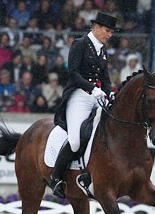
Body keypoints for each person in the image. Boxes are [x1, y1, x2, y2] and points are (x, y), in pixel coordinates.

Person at [50, 11, 117, 198]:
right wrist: (92, 89)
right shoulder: (79, 44)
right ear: (95, 27)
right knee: (75, 141)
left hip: (96, 96)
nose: (109, 35)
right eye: (107, 30)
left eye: (111, 32)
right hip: (78, 96)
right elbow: (73, 73)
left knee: (104, 135)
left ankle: (89, 175)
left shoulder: (102, 51)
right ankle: (56, 178)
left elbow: (105, 78)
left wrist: (110, 92)